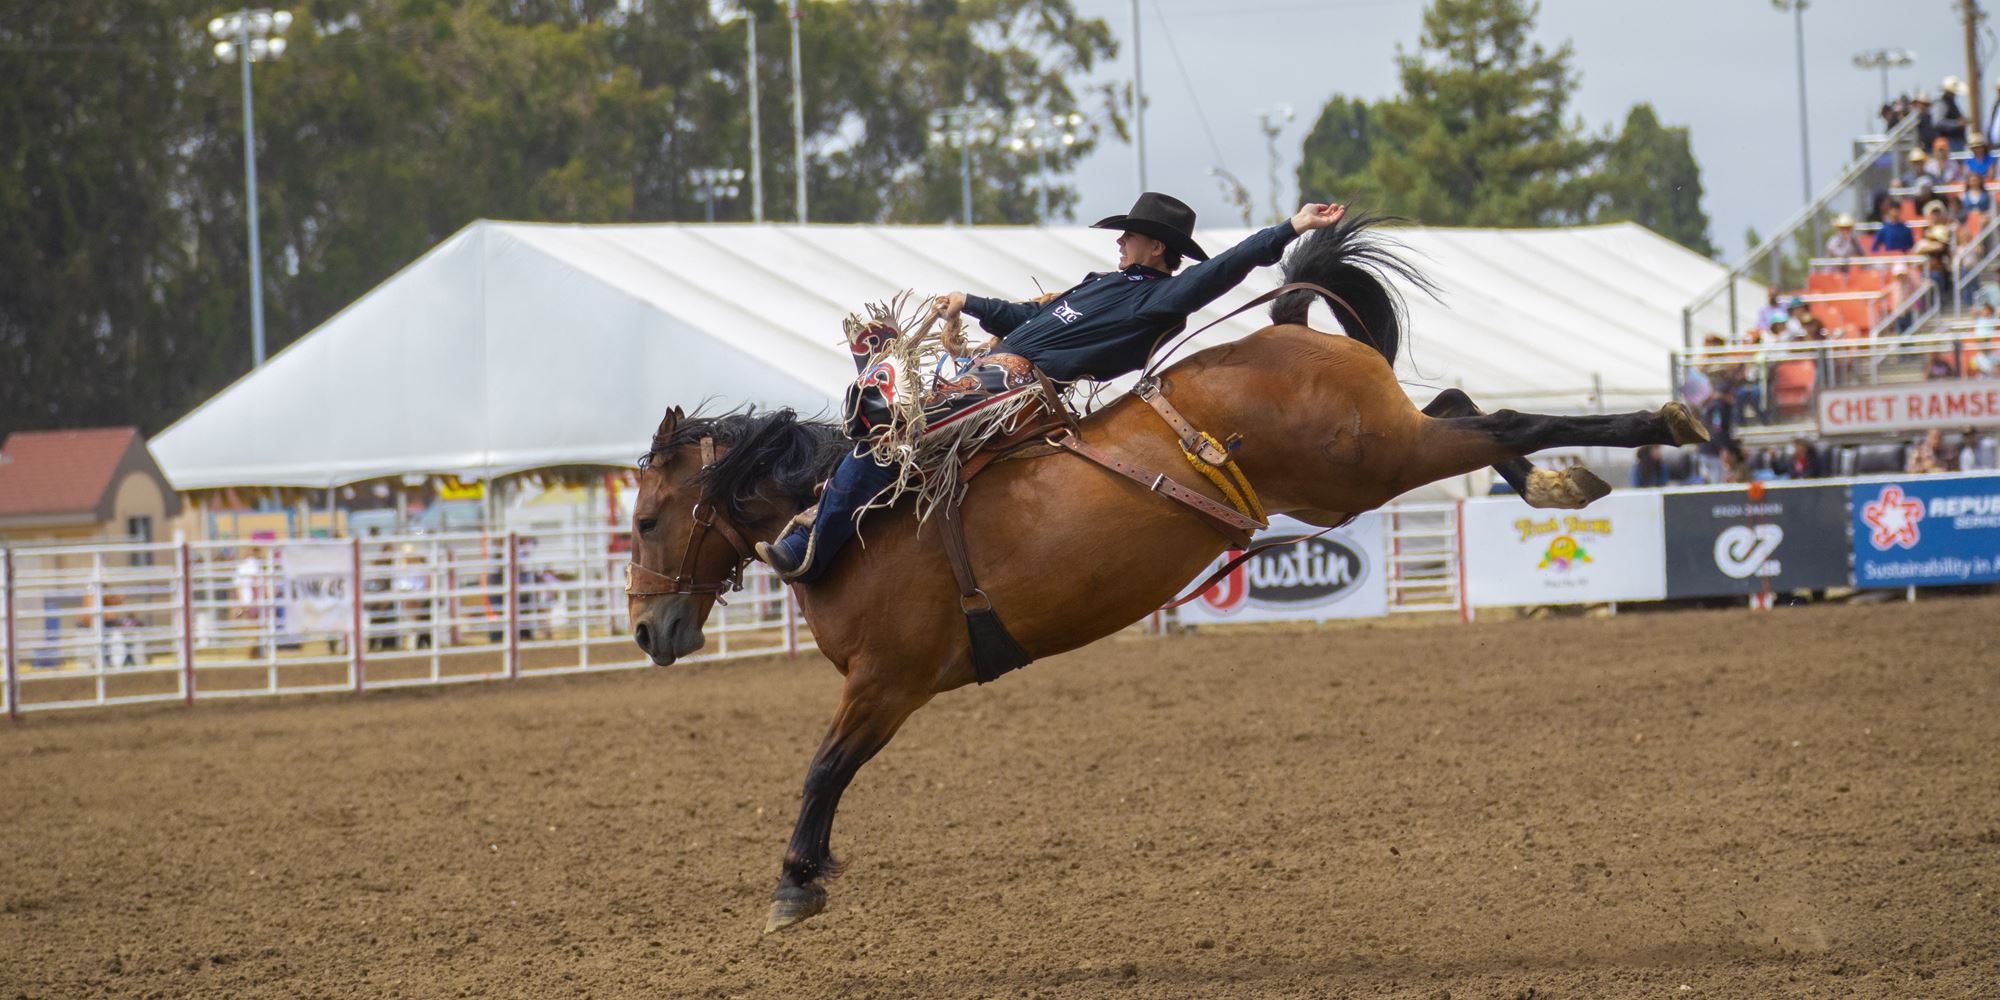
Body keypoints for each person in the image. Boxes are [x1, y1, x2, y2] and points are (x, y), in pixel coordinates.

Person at [757, 193, 1351, 580]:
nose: (1118, 241)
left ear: (1156, 248)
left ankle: (813, 549)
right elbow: (1028, 320)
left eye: (1129, 235)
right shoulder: (1100, 284)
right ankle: (829, 505)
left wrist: (1288, 229)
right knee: (874, 371)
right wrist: (972, 302)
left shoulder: (1158, 299)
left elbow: (1221, 270)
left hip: (1013, 388)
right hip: (991, 370)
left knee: (891, 421)